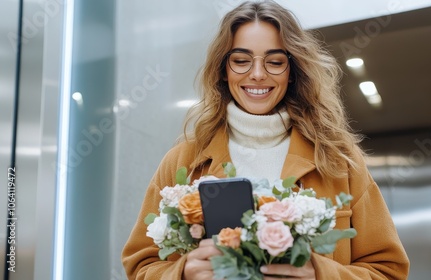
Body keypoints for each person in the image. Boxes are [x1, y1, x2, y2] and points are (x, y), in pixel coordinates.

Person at [122, 1, 410, 279]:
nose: (257, 74)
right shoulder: (182, 160)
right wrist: (181, 274)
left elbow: (388, 270)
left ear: (292, 71)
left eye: (274, 61)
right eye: (241, 60)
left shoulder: (337, 160)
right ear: (223, 70)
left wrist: (320, 274)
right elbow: (140, 265)